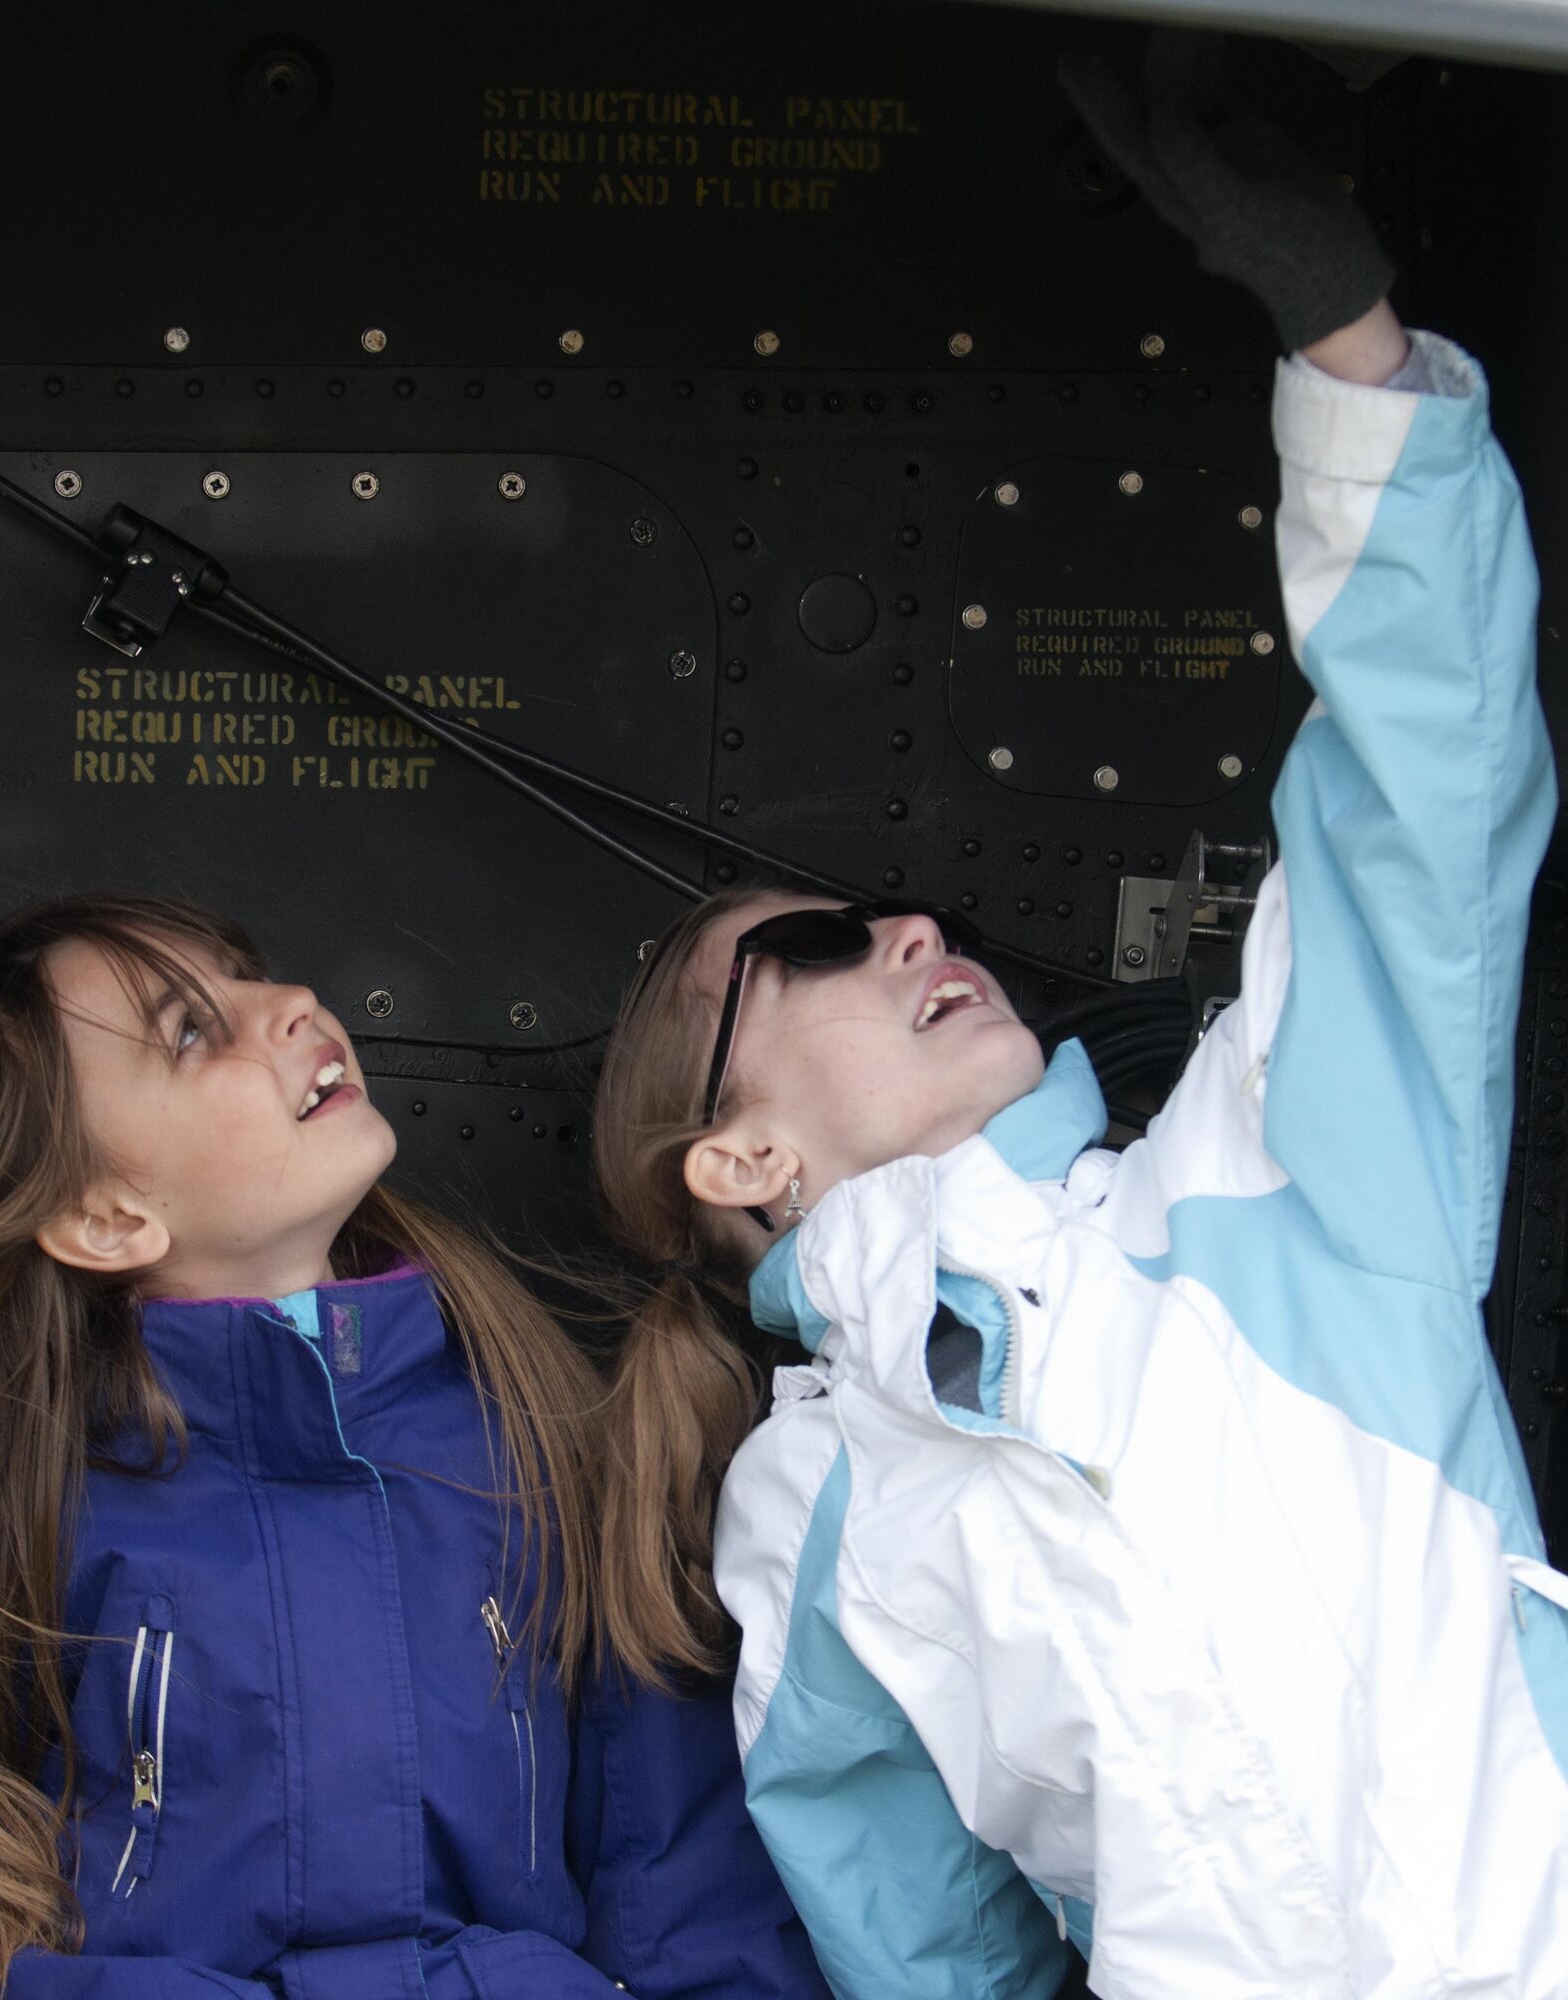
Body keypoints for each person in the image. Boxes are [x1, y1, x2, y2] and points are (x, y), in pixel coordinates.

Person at [590, 53, 1568, 2000]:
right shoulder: (802, 1518)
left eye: (898, 911)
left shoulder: (1265, 1178)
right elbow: (926, 1951)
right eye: (812, 943)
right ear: (738, 1154)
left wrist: (1352, 358)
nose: (911, 927)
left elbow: (1417, 806)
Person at [0, 890, 830, 2000]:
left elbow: (678, 1870)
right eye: (189, 1031)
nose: (289, 1000)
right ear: (108, 1219)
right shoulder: (33, 1512)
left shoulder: (531, 1436)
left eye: (250, 970)